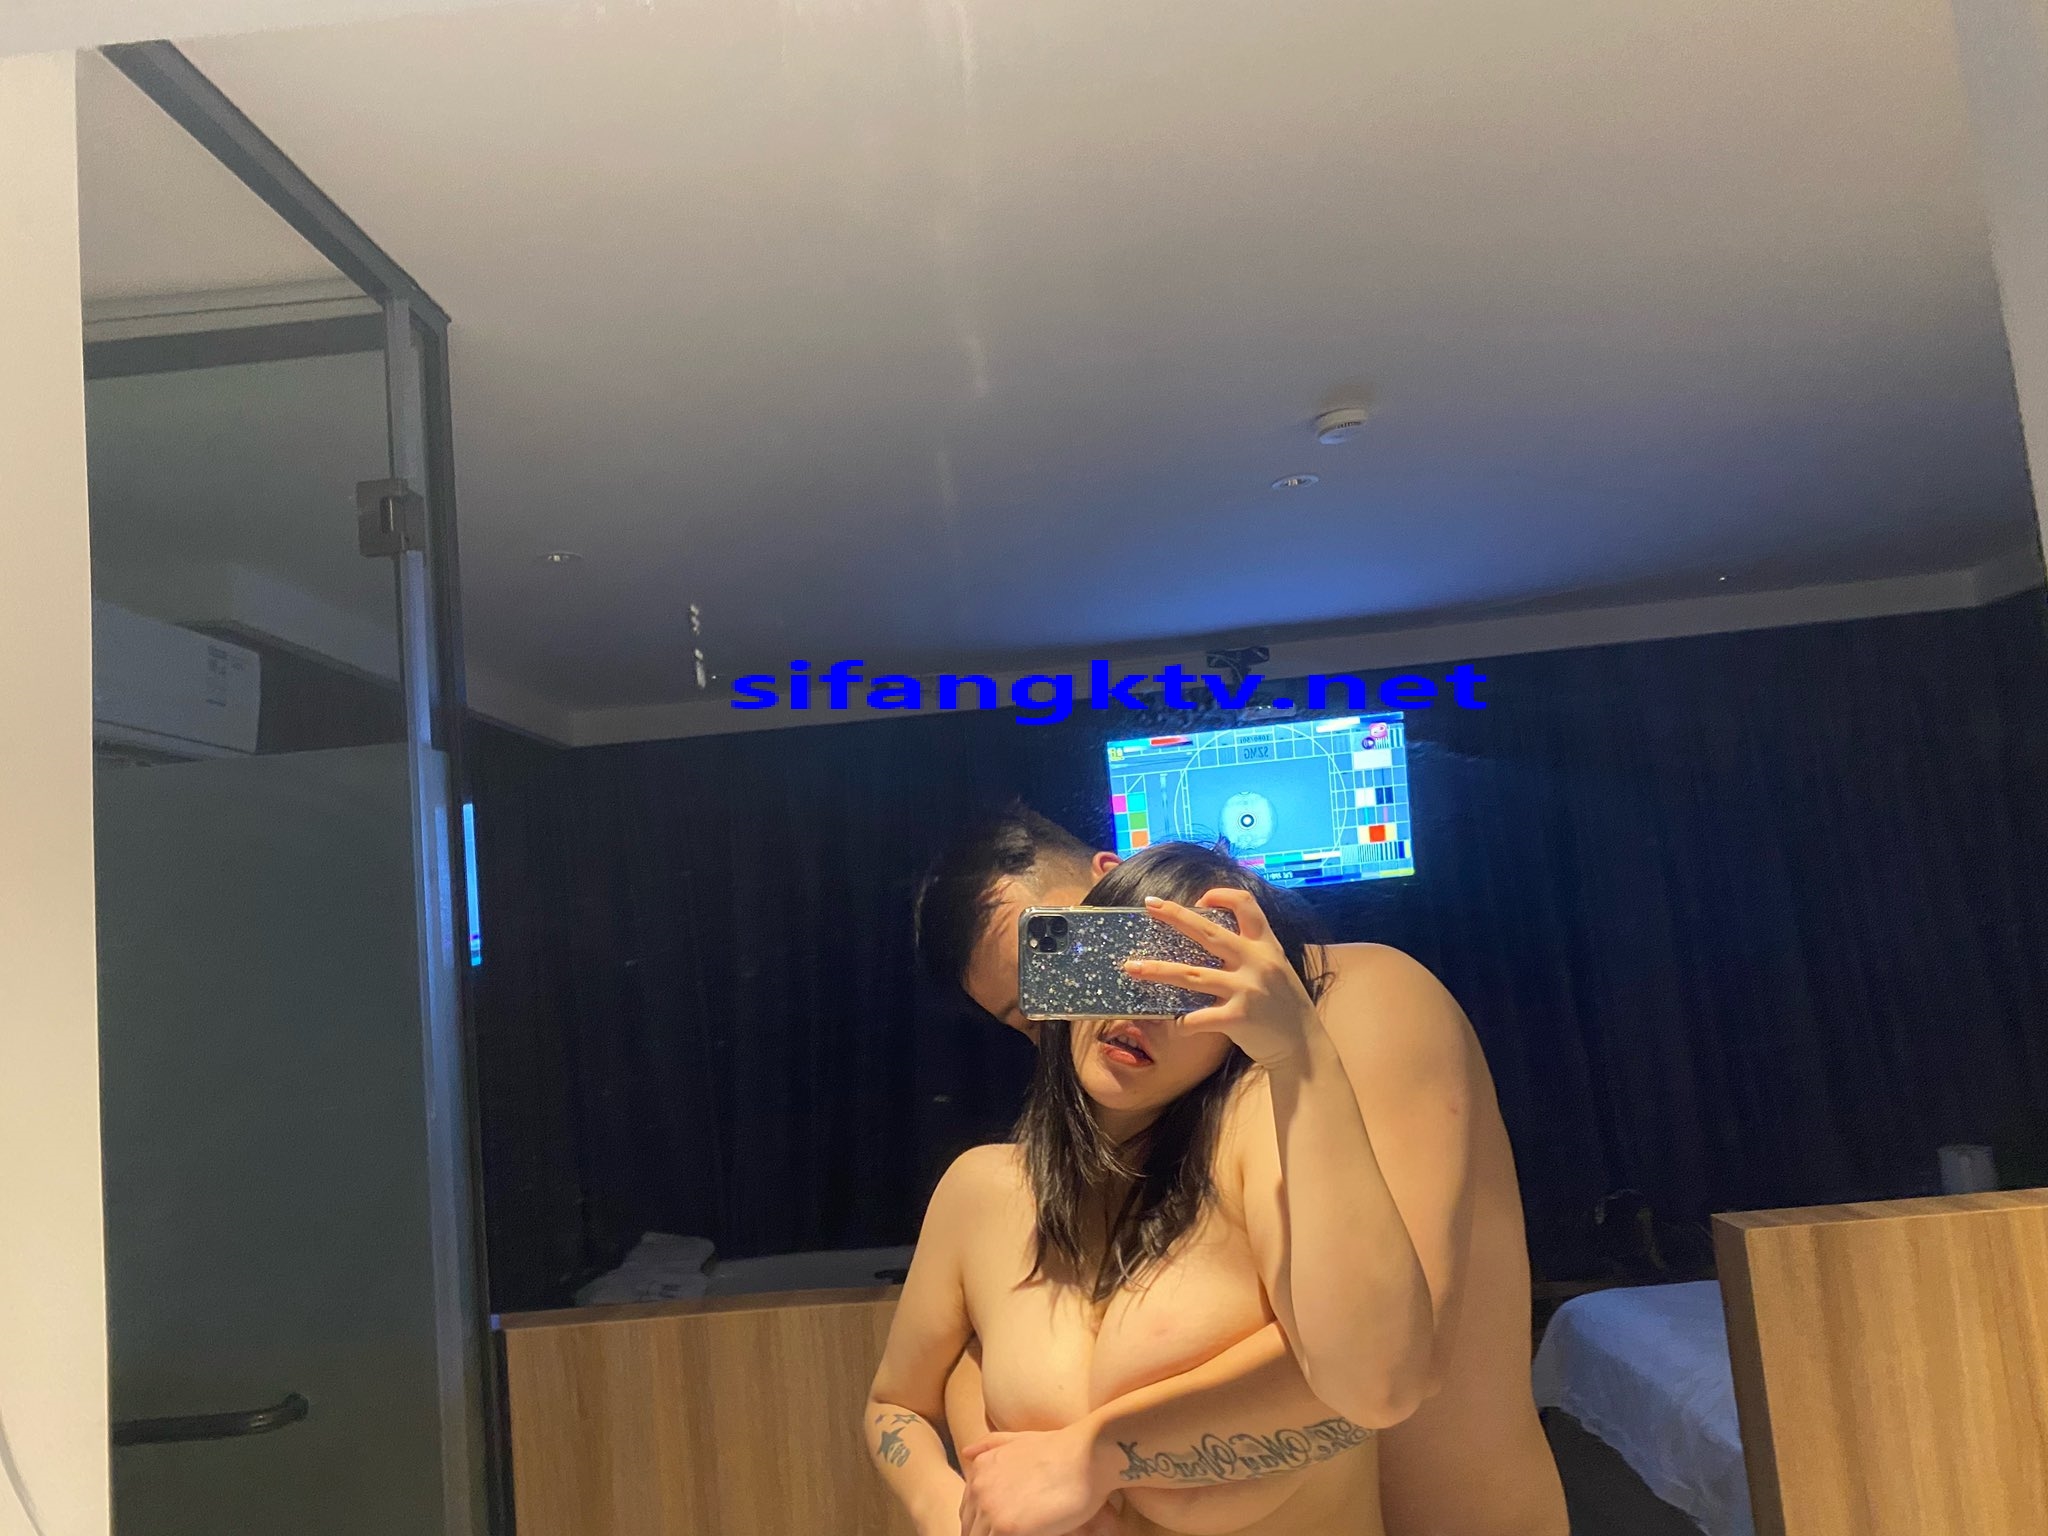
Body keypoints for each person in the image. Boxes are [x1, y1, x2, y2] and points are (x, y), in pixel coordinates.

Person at [904, 808, 1566, 1536]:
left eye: (1070, 951)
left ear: (1119, 885)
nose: (1077, 1013)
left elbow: (1380, 1356)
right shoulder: (1173, 1091)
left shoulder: (1357, 998)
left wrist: (1091, 1455)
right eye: (1035, 1017)